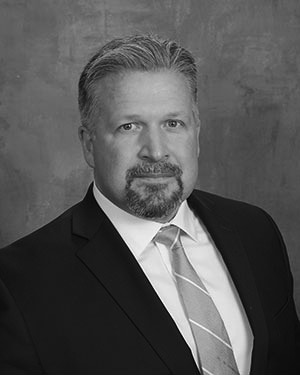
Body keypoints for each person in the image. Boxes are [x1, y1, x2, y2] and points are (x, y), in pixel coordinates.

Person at [0, 34, 299, 375]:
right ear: (88, 144)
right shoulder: (20, 284)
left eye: (173, 124)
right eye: (129, 126)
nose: (156, 151)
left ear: (196, 132)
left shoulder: (256, 232)